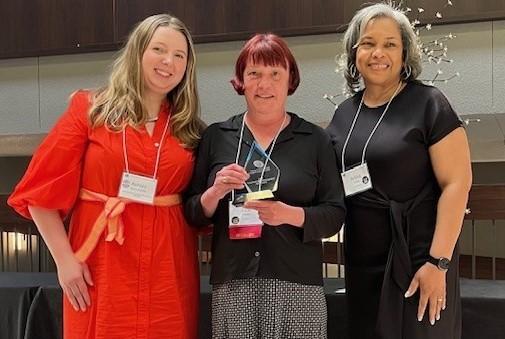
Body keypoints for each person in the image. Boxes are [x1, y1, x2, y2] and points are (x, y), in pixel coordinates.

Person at [8, 13, 202, 339]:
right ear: (138, 51)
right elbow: (40, 192)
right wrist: (65, 263)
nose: (168, 61)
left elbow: (199, 208)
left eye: (179, 55)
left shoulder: (189, 129)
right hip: (99, 268)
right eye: (159, 49)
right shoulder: (89, 109)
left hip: (168, 272)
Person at [184, 33, 345, 338]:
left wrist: (289, 214)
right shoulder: (217, 136)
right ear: (241, 81)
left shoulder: (314, 139)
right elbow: (193, 212)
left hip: (298, 284)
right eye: (254, 74)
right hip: (234, 283)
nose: (264, 84)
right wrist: (215, 192)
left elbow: (335, 212)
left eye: (275, 74)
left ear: (290, 80)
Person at [326, 3, 472, 339]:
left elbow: (458, 183)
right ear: (354, 52)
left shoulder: (429, 103)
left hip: (419, 260)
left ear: (405, 53)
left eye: (390, 44)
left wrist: (439, 264)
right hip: (363, 263)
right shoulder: (343, 114)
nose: (378, 53)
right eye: (368, 43)